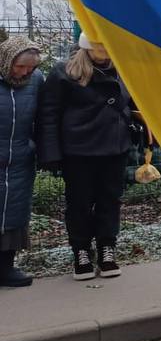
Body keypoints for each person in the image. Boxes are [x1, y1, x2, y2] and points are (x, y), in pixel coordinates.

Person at [36, 33, 136, 281]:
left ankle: (106, 249)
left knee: (110, 200)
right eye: (97, 50)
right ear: (86, 49)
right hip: (78, 151)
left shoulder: (123, 70)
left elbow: (132, 104)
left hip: (114, 148)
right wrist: (51, 154)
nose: (103, 56)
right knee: (79, 203)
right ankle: (81, 251)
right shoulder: (64, 72)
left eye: (106, 49)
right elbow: (48, 114)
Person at [0, 36, 43, 288]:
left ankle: (6, 267)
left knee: (14, 215)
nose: (25, 72)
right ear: (7, 60)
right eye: (20, 67)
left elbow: (44, 116)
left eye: (31, 67)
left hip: (19, 160)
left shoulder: (36, 81)